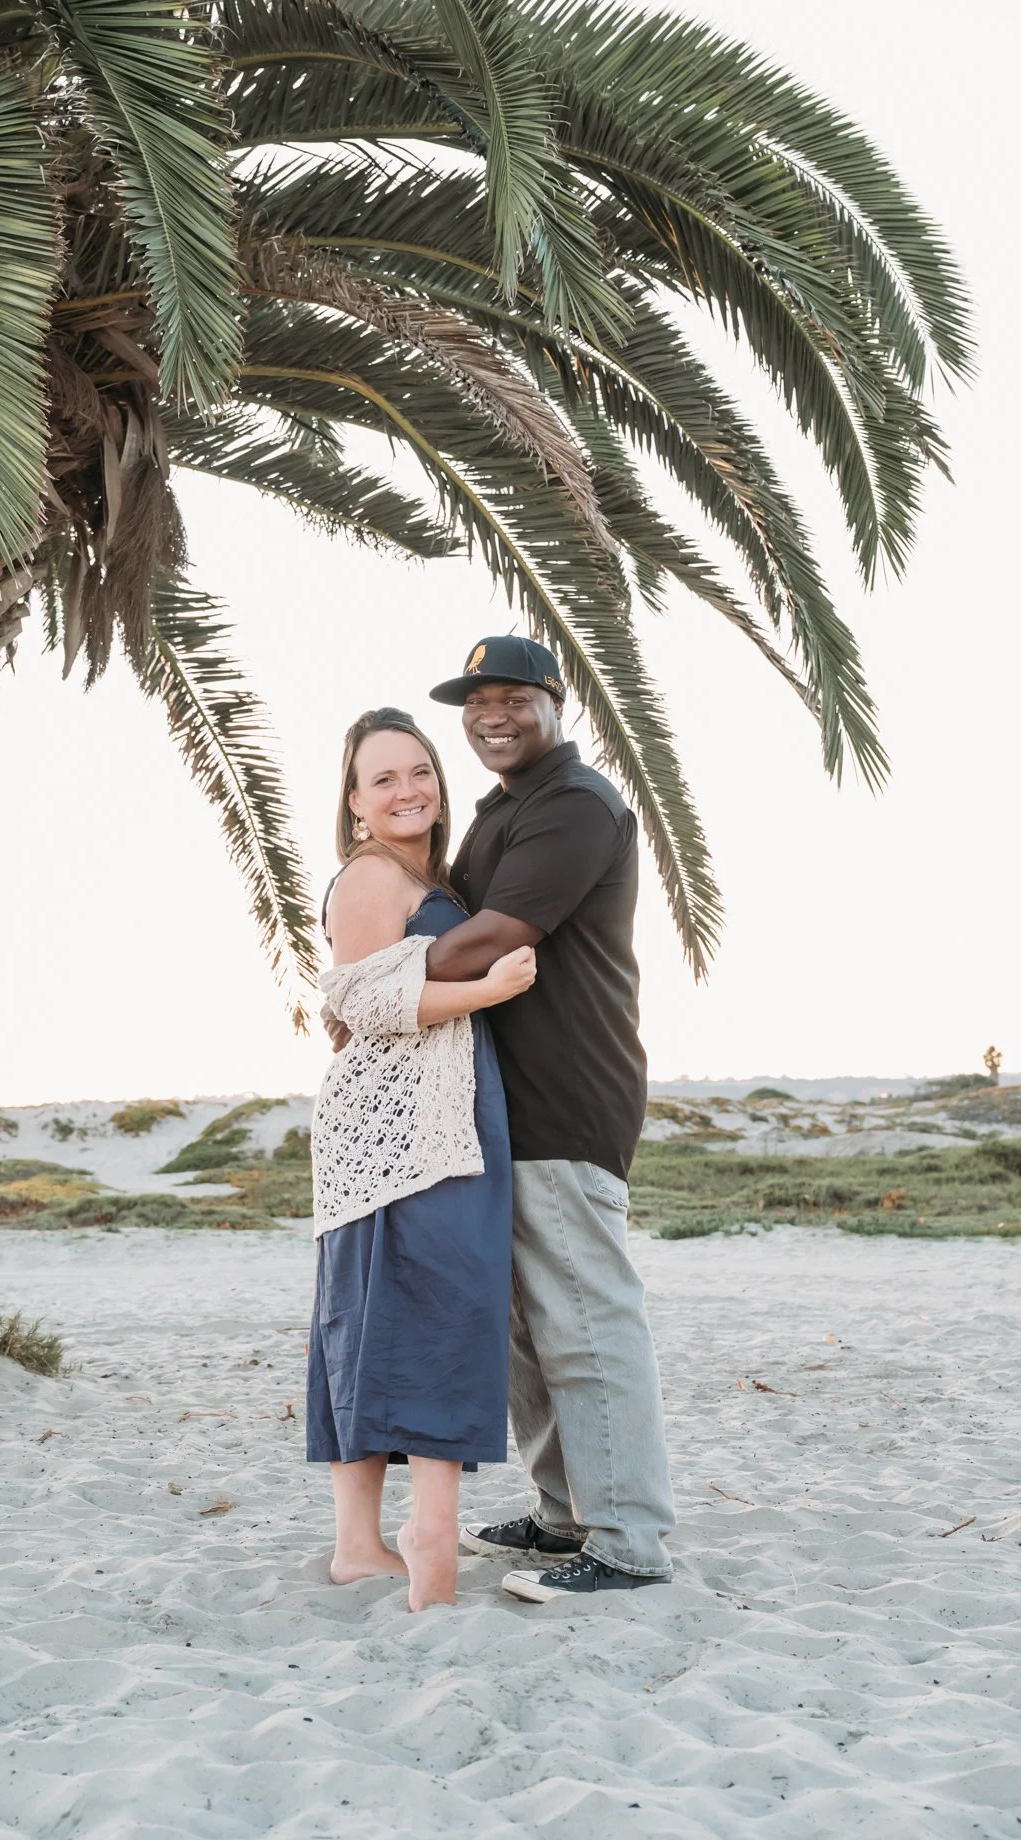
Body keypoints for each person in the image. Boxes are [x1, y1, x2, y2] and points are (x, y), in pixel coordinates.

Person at [424, 636, 676, 1601]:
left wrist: (372, 984)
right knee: (528, 1324)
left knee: (584, 1320)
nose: (490, 714)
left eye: (511, 698)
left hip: (567, 1099)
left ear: (553, 700)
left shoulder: (575, 805)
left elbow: (494, 939)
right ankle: (565, 1511)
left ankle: (628, 1542)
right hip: (503, 1107)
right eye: (474, 700)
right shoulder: (504, 811)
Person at [306, 707, 535, 1611]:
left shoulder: (421, 875)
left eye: (419, 772)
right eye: (383, 779)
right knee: (430, 1304)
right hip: (399, 1130)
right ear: (355, 803)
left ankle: (357, 1546)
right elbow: (365, 1005)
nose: (407, 791)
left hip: (427, 1115)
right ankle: (416, 1532)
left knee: (370, 1314)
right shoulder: (368, 876)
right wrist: (486, 987)